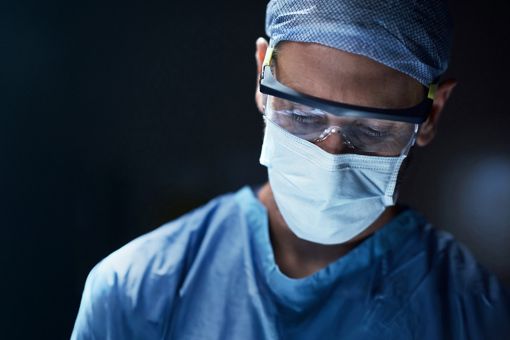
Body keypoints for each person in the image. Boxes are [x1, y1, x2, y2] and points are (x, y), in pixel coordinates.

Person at [72, 0, 510, 339]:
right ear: (262, 77)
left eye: (373, 129)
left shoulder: (478, 316)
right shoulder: (137, 292)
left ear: (432, 115)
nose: (331, 156)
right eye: (302, 117)